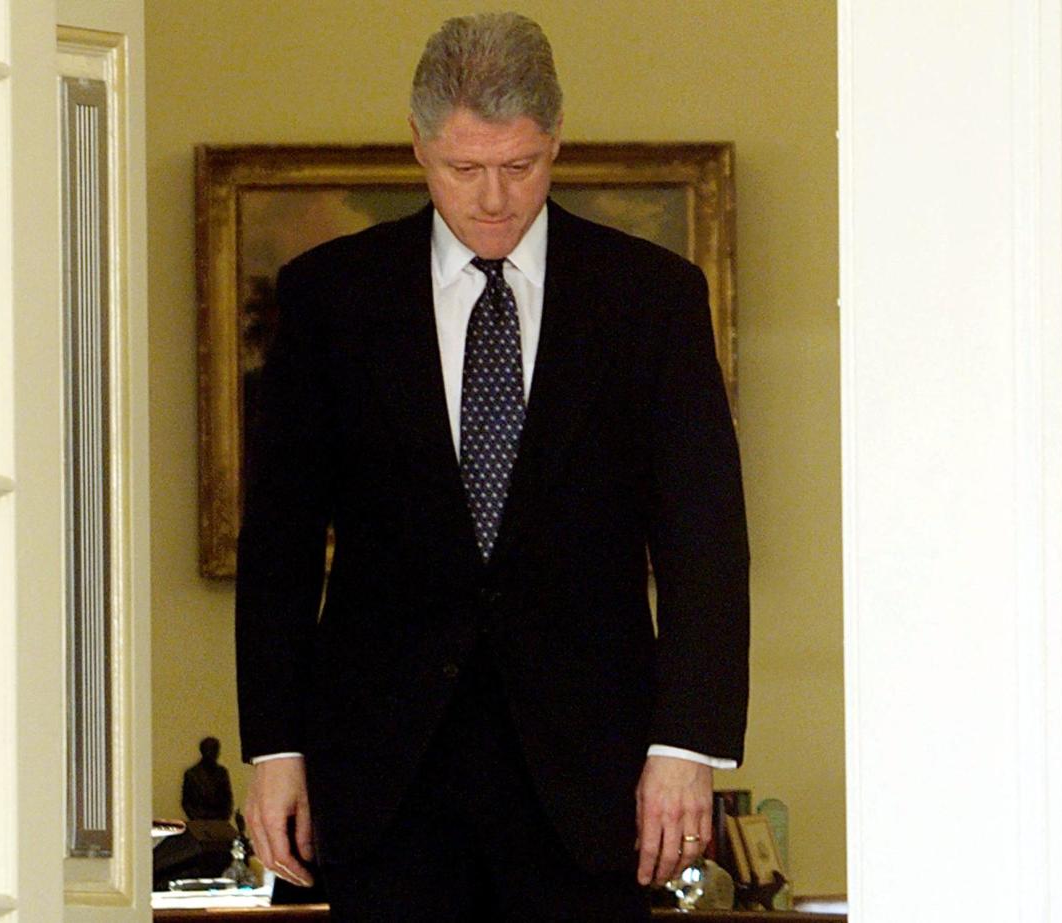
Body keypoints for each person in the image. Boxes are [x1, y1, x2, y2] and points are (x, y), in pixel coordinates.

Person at [235, 12, 749, 921]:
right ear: (418, 145)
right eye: (463, 169)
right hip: (383, 781)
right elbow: (277, 543)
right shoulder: (329, 297)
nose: (494, 199)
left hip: (592, 786)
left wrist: (689, 744)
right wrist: (274, 746)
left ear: (556, 142)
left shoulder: (651, 299)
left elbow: (704, 541)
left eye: (521, 166)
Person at [181, 736, 234, 821]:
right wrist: (197, 819)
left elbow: (227, 800)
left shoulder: (222, 773)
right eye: (210, 750)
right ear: (202, 751)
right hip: (199, 822)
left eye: (215, 750)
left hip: (219, 822)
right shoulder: (192, 774)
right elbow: (186, 802)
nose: (213, 753)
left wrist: (223, 819)